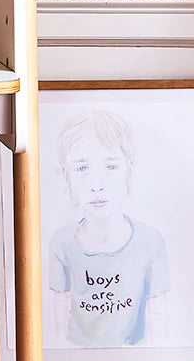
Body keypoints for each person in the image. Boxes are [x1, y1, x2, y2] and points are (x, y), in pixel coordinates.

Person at [48, 109, 169, 347]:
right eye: (82, 168)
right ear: (66, 175)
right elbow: (57, 324)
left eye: (111, 167)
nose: (97, 185)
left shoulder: (150, 241)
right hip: (75, 360)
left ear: (128, 171)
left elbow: (159, 318)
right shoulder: (61, 243)